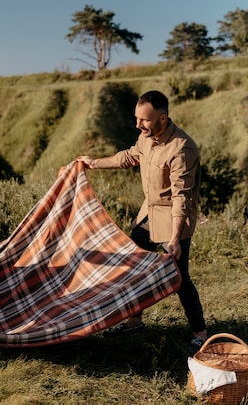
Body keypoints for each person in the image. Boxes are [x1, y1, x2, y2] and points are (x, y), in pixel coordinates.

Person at [77, 90, 208, 350]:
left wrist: (174, 239)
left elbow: (181, 197)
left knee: (180, 278)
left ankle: (201, 333)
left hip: (173, 220)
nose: (138, 125)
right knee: (132, 266)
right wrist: (94, 163)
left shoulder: (182, 148)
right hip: (148, 214)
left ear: (163, 118)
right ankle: (134, 321)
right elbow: (129, 156)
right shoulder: (146, 137)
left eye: (144, 120)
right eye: (137, 119)